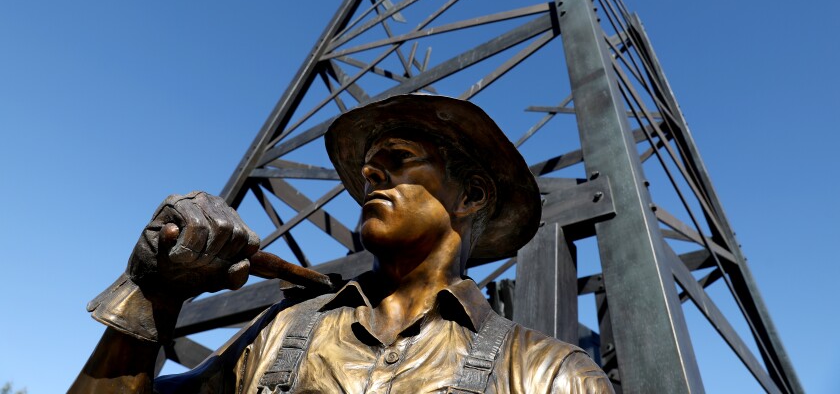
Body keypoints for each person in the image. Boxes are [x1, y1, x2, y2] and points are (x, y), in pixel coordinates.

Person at [71, 94, 613, 393]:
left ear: (471, 194)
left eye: (398, 159)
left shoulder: (550, 375)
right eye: (369, 167)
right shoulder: (279, 333)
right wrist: (151, 297)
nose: (372, 175)